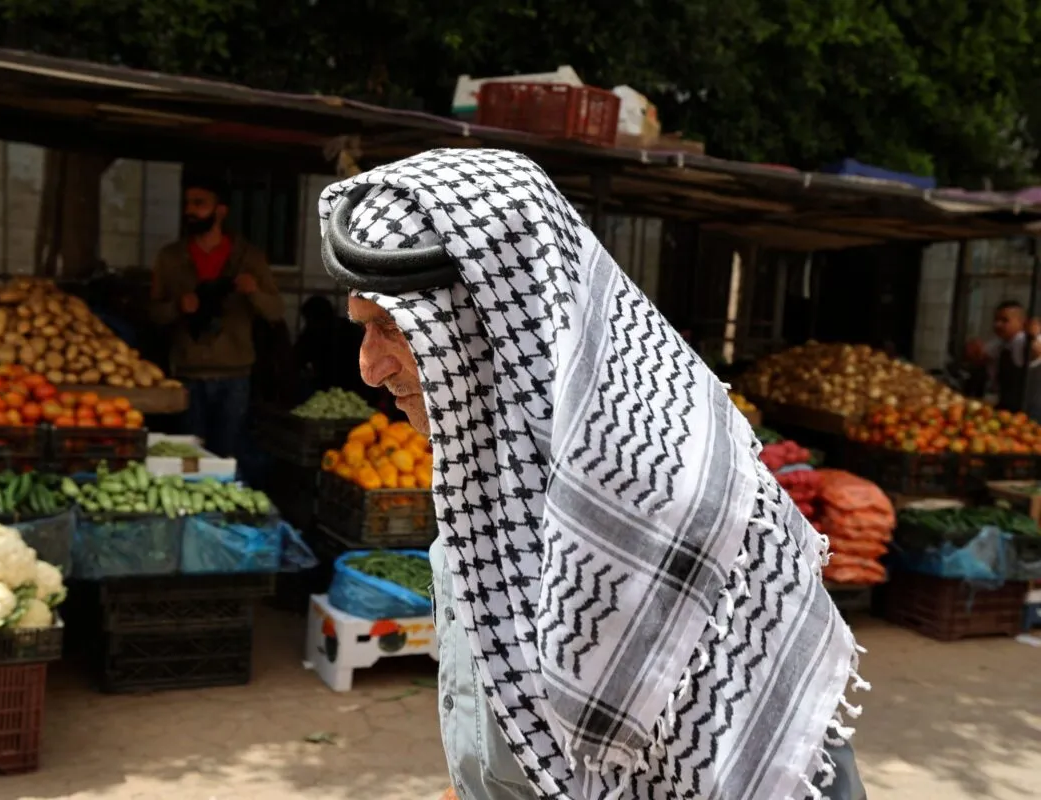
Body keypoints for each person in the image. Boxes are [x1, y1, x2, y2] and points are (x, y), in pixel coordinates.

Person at [321, 149, 868, 800]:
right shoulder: (484, 485)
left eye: (393, 329)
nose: (369, 367)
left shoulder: (659, 505)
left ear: (489, 320)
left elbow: (743, 766)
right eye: (363, 330)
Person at [150, 173, 284, 464]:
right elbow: (152, 315)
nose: (190, 210)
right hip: (187, 374)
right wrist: (177, 306)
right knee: (187, 459)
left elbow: (275, 311)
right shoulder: (170, 258)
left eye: (199, 203)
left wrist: (254, 292)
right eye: (188, 203)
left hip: (234, 376)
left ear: (221, 210)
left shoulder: (249, 257)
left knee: (225, 460)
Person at [964, 301, 1041, 413]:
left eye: (1004, 320)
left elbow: (1036, 352)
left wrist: (1033, 336)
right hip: (1005, 406)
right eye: (996, 320)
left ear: (1021, 323)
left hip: (1028, 410)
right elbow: (982, 355)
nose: (998, 325)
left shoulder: (1021, 341)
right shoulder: (999, 343)